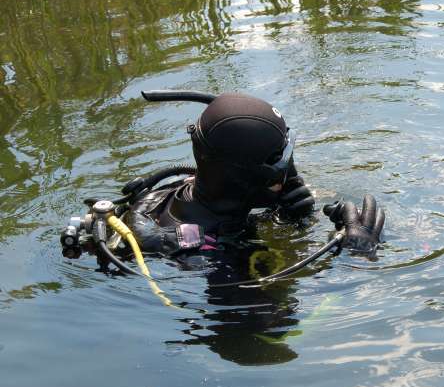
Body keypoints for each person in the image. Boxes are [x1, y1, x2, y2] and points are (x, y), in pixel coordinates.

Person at [95, 90, 385, 264]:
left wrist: (290, 215)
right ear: (246, 178)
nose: (290, 171)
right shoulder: (203, 254)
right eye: (281, 160)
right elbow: (271, 327)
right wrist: (352, 257)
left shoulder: (177, 191)